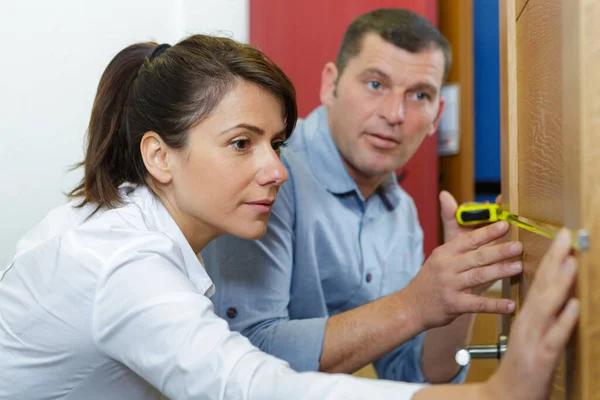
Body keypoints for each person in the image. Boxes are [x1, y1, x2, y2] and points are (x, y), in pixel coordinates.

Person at [0, 33, 579, 400]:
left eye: (275, 143)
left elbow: (413, 369)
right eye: (240, 143)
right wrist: (491, 395)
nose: (276, 169)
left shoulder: (401, 212)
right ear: (159, 155)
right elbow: (245, 380)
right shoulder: (124, 263)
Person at [201, 8, 519, 383]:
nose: (394, 113)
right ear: (329, 84)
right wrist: (413, 305)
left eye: (420, 94)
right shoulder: (270, 173)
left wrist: (463, 287)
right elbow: (248, 355)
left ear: (437, 115)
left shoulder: (403, 214)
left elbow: (412, 374)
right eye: (375, 84)